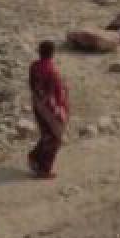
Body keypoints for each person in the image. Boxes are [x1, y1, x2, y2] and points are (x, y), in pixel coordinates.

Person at [27, 39, 69, 180]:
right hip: (49, 108)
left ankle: (34, 158)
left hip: (37, 104)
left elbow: (34, 87)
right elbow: (53, 94)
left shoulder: (34, 66)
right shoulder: (51, 71)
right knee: (55, 137)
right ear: (52, 53)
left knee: (46, 134)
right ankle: (43, 168)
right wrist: (60, 111)